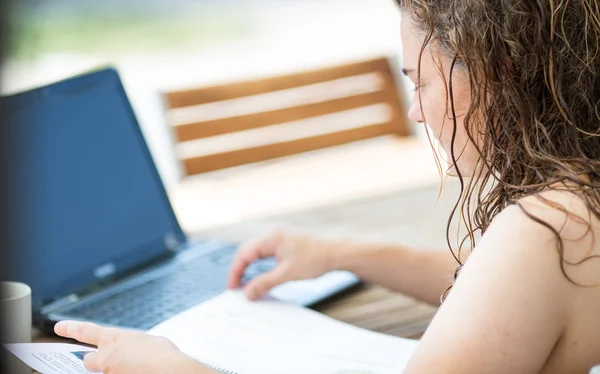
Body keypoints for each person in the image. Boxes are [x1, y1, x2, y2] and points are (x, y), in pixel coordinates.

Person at [55, 0, 600, 372]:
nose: (414, 111)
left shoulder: (544, 231)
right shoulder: (577, 197)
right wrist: (345, 255)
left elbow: (511, 272)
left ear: (496, 72)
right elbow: (501, 288)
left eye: (421, 80)